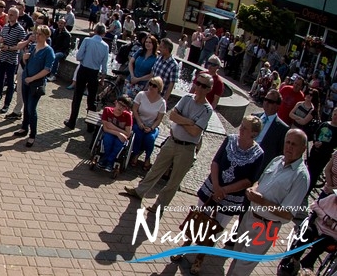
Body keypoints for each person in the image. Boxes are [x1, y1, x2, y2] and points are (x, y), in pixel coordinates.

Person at [173, 116, 265, 275]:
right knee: (198, 218)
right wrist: (216, 186)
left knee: (216, 228)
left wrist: (224, 190)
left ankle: (200, 257)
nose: (241, 129)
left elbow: (249, 180)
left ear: (254, 134)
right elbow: (215, 162)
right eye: (241, 125)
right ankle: (185, 245)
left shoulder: (258, 154)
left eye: (245, 128)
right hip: (212, 187)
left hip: (232, 197)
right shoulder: (230, 139)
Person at [120, 72, 215, 216]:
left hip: (187, 148)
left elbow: (195, 131)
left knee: (174, 180)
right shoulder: (186, 98)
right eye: (198, 83)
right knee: (156, 169)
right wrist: (189, 121)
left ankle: (160, 205)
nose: (199, 87)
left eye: (203, 86)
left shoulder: (207, 110)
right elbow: (172, 116)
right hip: (172, 141)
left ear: (209, 89)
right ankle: (140, 191)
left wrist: (181, 120)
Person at [225, 129, 310, 276]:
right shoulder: (277, 160)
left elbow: (288, 214)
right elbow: (260, 181)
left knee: (242, 268)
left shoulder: (301, 177)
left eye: (294, 144)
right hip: (250, 217)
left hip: (266, 227)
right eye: (288, 142)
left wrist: (262, 201)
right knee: (237, 258)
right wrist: (253, 189)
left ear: (303, 148)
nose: (289, 147)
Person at [13, 24, 54, 148]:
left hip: (36, 84)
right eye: (36, 33)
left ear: (46, 36)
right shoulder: (33, 47)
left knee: (32, 108)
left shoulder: (48, 51)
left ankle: (32, 134)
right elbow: (25, 64)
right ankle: (24, 127)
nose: (37, 36)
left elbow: (47, 70)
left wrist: (32, 78)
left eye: (40, 34)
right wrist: (24, 59)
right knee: (26, 106)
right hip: (26, 80)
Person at [64, 23, 109, 131]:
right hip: (94, 72)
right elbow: (104, 65)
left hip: (84, 70)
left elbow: (78, 56)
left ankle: (72, 121)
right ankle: (90, 124)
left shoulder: (87, 41)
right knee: (91, 99)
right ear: (103, 33)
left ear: (95, 30)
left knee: (77, 97)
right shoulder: (105, 46)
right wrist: (102, 79)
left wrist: (85, 58)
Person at [0, 7, 29, 112]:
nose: (9, 16)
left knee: (10, 82)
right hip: (2, 57)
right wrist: (0, 41)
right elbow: (0, 39)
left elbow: (21, 46)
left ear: (17, 16)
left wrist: (9, 48)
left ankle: (6, 104)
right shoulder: (5, 27)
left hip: (12, 59)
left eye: (12, 15)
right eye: (9, 14)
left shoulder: (20, 30)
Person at [129, 76, 167, 171]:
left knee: (150, 138)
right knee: (138, 134)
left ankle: (147, 157)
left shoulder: (162, 102)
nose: (151, 87)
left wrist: (151, 128)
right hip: (139, 121)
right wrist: (139, 122)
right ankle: (136, 154)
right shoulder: (141, 95)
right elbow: (134, 109)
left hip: (151, 126)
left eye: (154, 86)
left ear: (159, 88)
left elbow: (159, 119)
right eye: (150, 84)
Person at [255, 90, 290, 169]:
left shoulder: (282, 128)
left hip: (262, 165)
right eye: (265, 99)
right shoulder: (254, 117)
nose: (266, 103)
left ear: (277, 106)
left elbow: (280, 153)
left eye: (270, 101)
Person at [97, 95, 133, 171]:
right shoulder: (107, 110)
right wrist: (118, 133)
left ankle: (109, 161)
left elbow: (128, 133)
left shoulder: (127, 116)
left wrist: (113, 127)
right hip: (110, 133)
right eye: (120, 104)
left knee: (119, 143)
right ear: (116, 102)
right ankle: (107, 159)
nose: (120, 107)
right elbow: (105, 128)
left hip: (120, 136)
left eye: (123, 106)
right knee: (108, 139)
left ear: (126, 108)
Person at [307, 108, 337, 198]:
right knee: (309, 169)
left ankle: (308, 190)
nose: (335, 117)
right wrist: (315, 141)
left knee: (315, 173)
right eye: (335, 114)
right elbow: (316, 133)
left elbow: (334, 144)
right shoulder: (325, 124)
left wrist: (323, 145)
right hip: (315, 151)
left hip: (324, 155)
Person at [48, 18, 71, 82]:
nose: (60, 24)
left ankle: (53, 74)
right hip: (55, 49)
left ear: (65, 24)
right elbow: (53, 42)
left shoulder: (67, 34)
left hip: (62, 52)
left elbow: (65, 46)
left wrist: (55, 51)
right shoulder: (56, 31)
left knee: (56, 56)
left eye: (62, 23)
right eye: (59, 23)